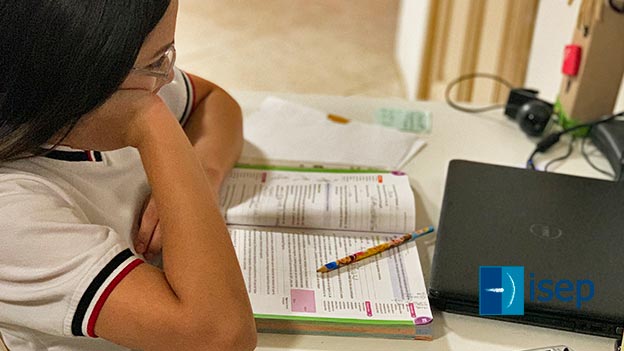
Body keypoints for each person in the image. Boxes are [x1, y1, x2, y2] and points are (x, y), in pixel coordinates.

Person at [0, 0, 257, 350]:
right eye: (156, 61)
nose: (168, 76)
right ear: (77, 78)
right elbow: (220, 335)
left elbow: (215, 102)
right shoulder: (12, 213)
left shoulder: (113, 92)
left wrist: (200, 178)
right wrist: (152, 123)